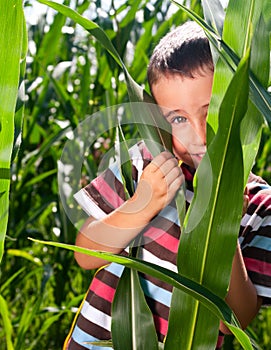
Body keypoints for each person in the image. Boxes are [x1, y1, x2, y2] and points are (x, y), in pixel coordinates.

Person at [64, 21, 271, 349]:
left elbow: (234, 323)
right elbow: (86, 255)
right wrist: (142, 203)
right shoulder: (147, 163)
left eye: (211, 113)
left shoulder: (261, 205)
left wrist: (224, 229)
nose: (200, 136)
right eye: (178, 119)